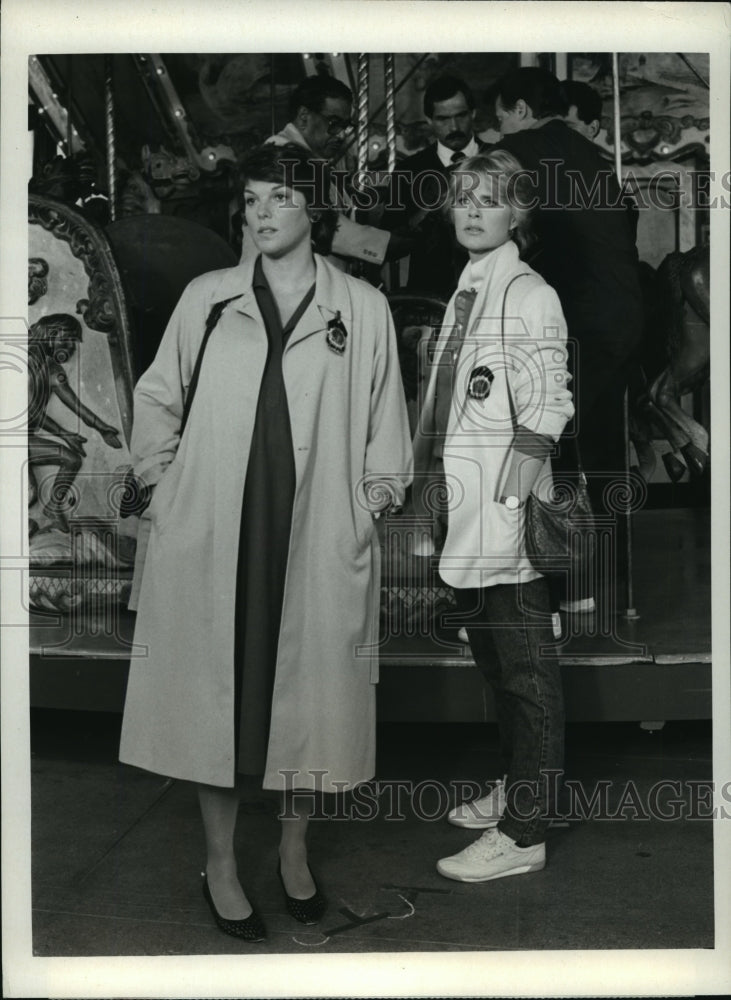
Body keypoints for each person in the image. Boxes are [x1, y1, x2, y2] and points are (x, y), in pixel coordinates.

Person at [119, 142, 413, 941]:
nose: (261, 213)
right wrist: (162, 481)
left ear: (313, 211)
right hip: (217, 526)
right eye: (251, 199)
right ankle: (219, 861)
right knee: (215, 702)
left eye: (279, 198)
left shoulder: (360, 306)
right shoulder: (208, 299)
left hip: (315, 530)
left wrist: (373, 500)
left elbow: (388, 418)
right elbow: (156, 395)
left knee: (310, 699)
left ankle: (292, 852)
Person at [412, 149, 574, 882]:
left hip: (500, 516)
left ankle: (524, 832)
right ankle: (522, 785)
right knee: (494, 662)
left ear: (518, 213)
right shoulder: (468, 289)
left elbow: (548, 409)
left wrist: (508, 507)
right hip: (463, 505)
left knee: (527, 674)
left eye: (489, 200)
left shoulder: (528, 293)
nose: (472, 211)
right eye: (462, 199)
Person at [491, 67, 643, 612]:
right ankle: (602, 587)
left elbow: (503, 225)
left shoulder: (520, 149)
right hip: (623, 314)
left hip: (578, 315)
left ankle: (554, 588)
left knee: (543, 442)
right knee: (602, 451)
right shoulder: (588, 153)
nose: (500, 129)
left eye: (502, 116)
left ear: (522, 111)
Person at [265, 75, 393, 268]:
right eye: (334, 124)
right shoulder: (281, 157)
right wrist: (399, 244)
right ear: (303, 117)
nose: (341, 135)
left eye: (345, 126)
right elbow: (331, 231)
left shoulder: (315, 161)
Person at [382, 75, 487, 299]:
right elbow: (389, 243)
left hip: (492, 290)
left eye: (461, 115)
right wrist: (426, 213)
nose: (454, 127)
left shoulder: (497, 159)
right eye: (443, 119)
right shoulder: (409, 170)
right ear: (429, 120)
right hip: (429, 297)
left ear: (473, 113)